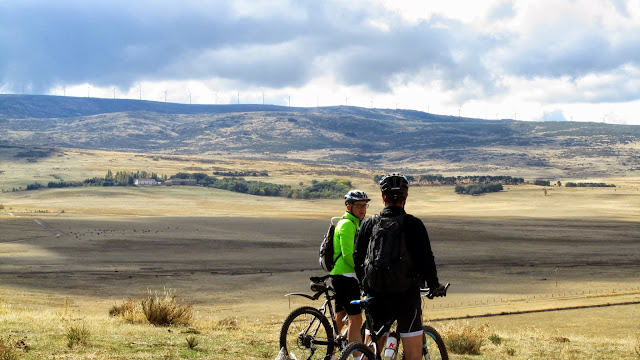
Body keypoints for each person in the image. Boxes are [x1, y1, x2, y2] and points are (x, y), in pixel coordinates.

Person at [354, 174, 444, 360]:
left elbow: (358, 257)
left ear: (383, 197)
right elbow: (427, 259)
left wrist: (365, 284)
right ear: (406, 196)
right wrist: (434, 285)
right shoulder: (414, 224)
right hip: (406, 295)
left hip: (375, 293)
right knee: (413, 353)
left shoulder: (369, 224)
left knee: (371, 349)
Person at [331, 190, 370, 348]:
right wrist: (362, 272)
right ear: (349, 207)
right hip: (346, 276)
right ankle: (357, 356)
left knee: (340, 316)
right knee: (356, 319)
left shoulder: (353, 223)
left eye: (365, 205)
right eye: (359, 206)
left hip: (341, 275)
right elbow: (348, 255)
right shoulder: (347, 225)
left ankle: (331, 353)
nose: (363, 209)